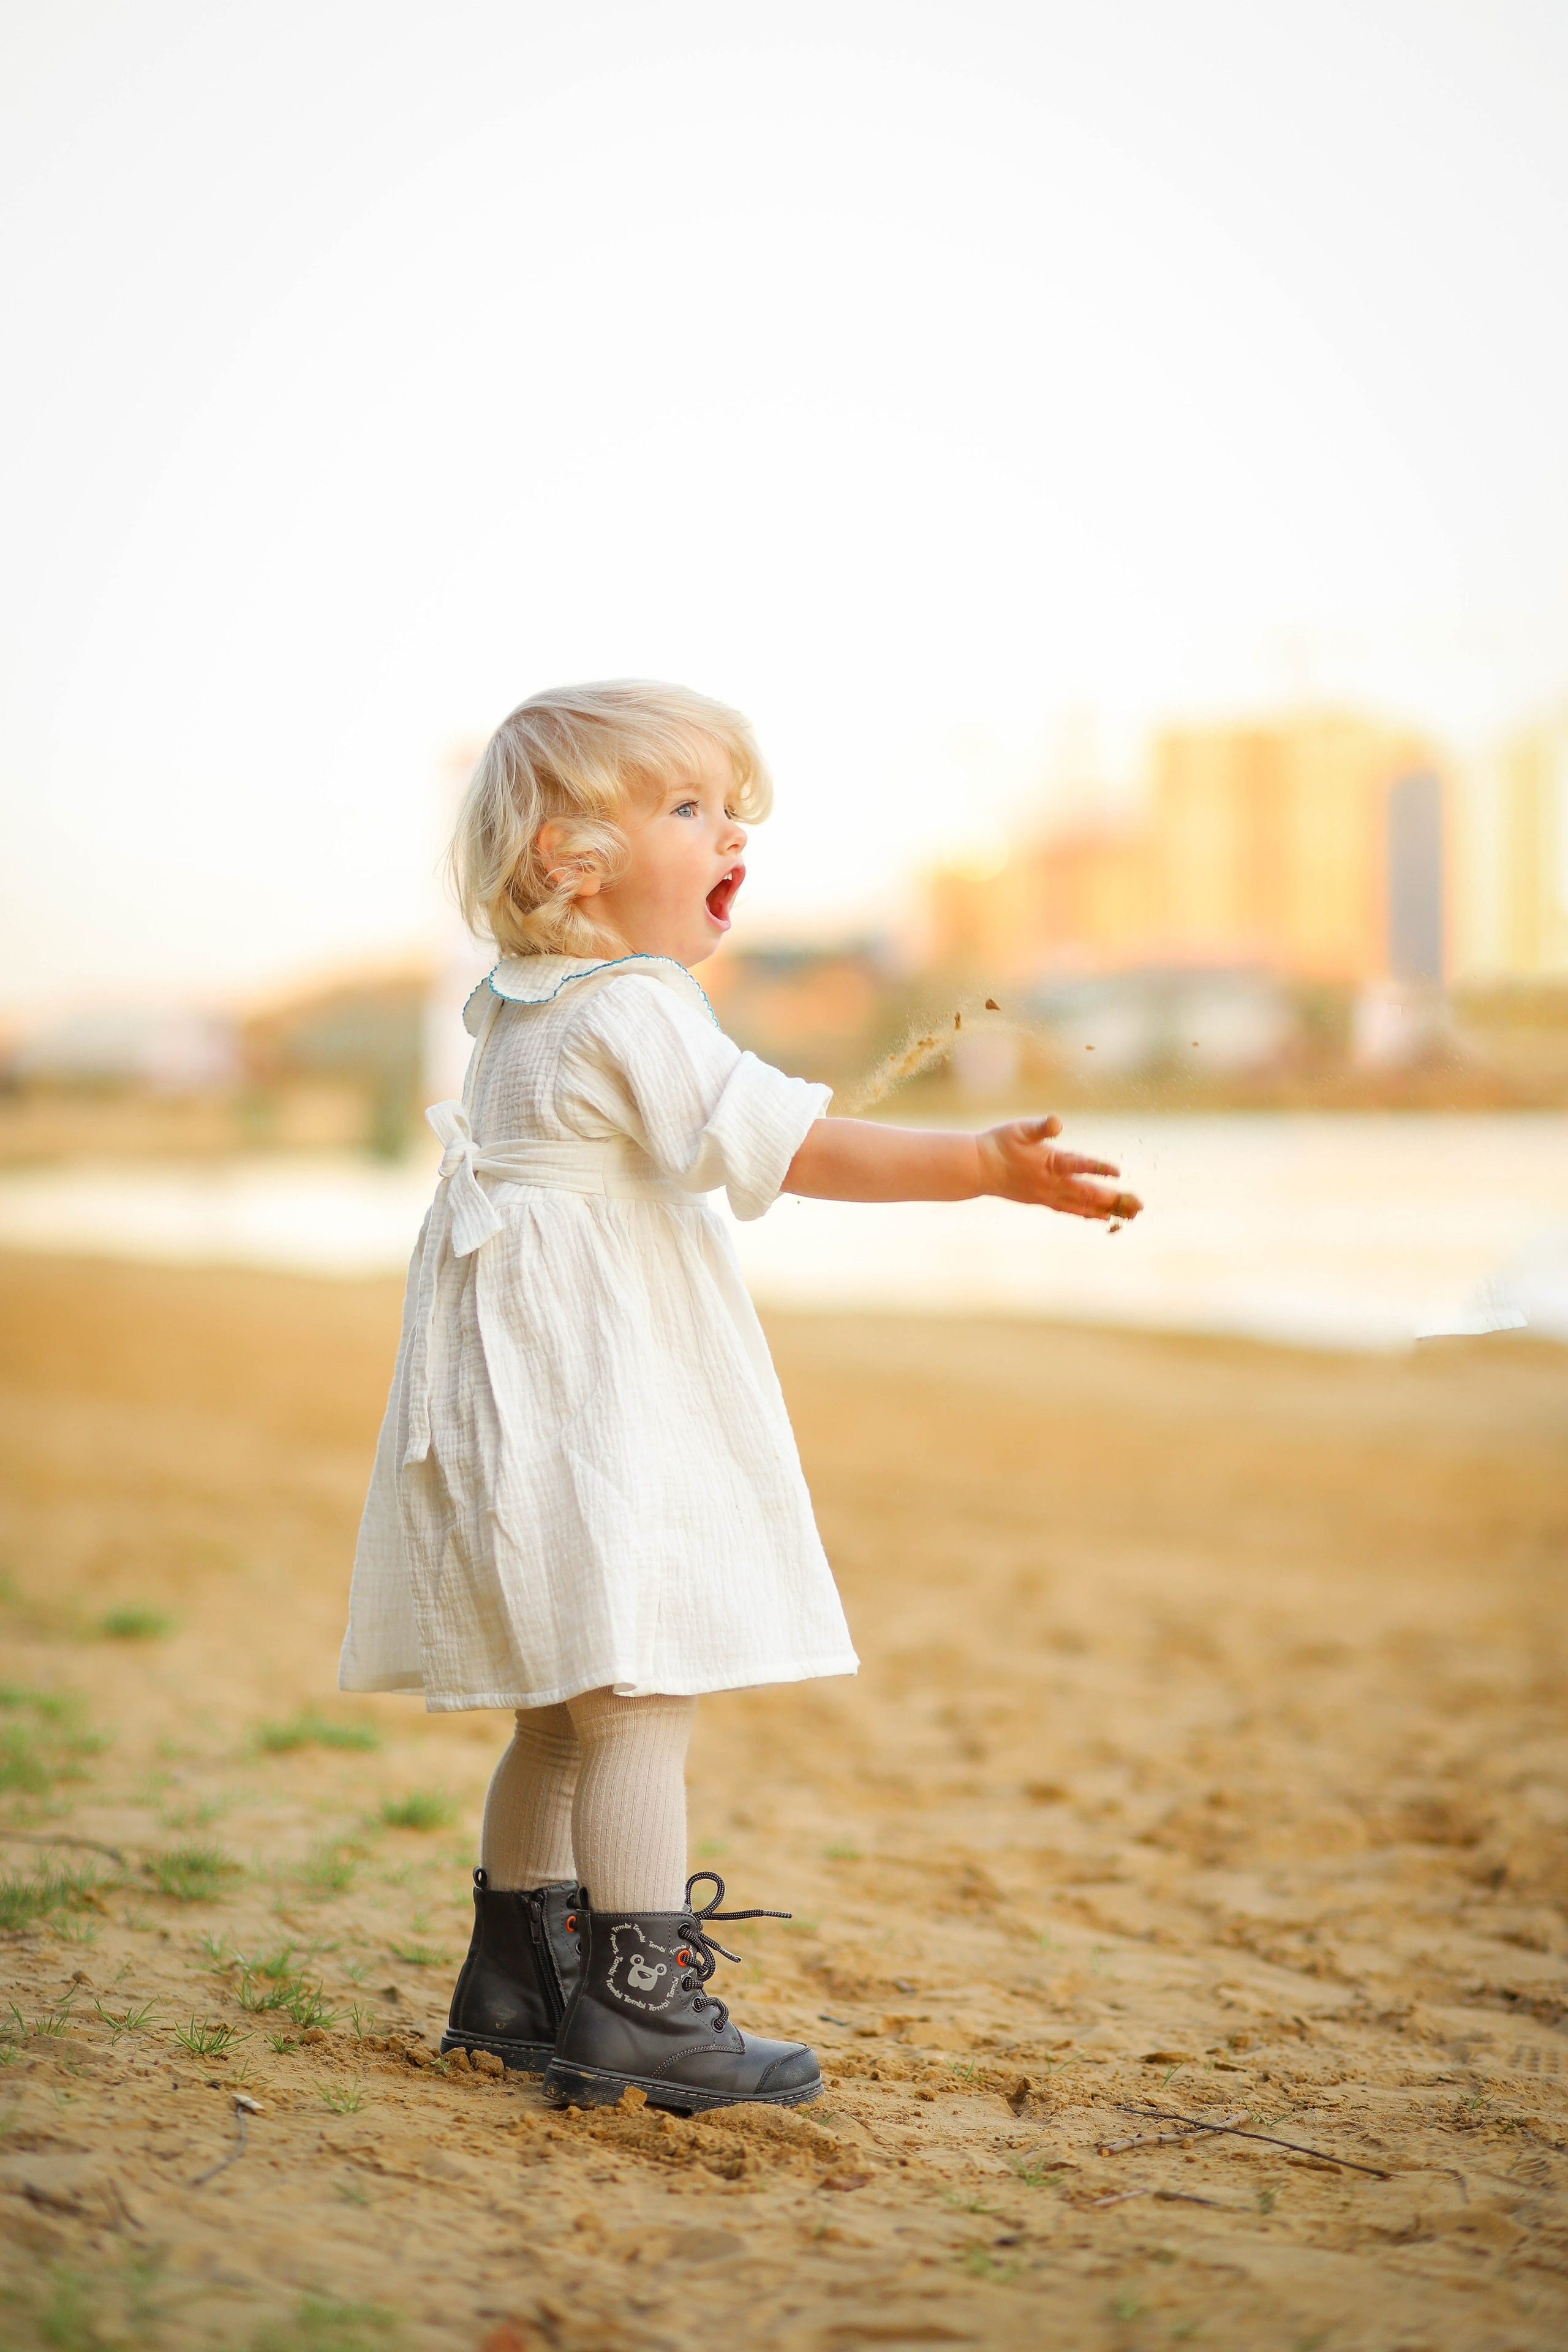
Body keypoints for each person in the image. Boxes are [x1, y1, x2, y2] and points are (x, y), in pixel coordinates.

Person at [339, 680, 1139, 2114]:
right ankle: (639, 2005)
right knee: (641, 1694)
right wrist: (978, 1167)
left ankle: (521, 1978)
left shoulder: (515, 1011)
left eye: (734, 809)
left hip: (514, 1409)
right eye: (690, 808)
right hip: (598, 1415)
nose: (731, 835)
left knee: (558, 1711)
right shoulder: (636, 1003)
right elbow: (792, 1144)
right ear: (569, 864)